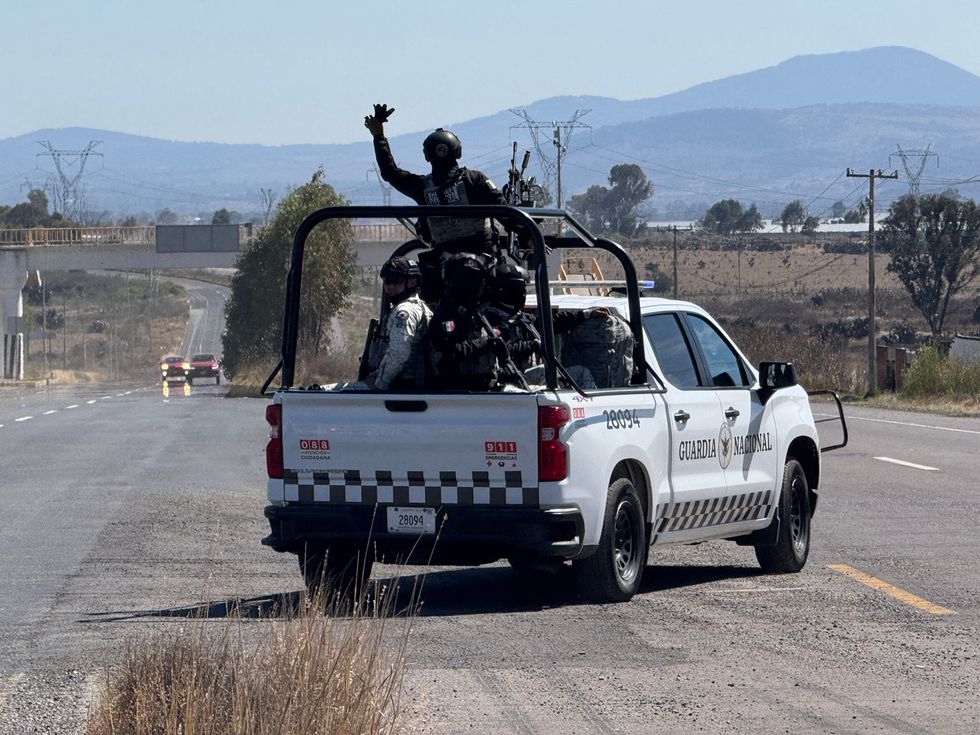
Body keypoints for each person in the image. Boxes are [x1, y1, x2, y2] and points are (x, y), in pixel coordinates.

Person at [364, 104, 506, 300]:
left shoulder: (423, 187)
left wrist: (378, 136)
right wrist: (528, 236)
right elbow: (505, 210)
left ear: (427, 155)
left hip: (449, 272)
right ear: (457, 151)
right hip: (477, 269)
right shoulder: (475, 180)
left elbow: (390, 173)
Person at [429, 253, 507, 391]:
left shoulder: (479, 312)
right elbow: (449, 350)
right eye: (466, 279)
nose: (471, 285)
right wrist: (486, 343)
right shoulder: (445, 313)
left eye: (476, 279)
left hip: (484, 388)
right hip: (457, 390)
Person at [362, 255, 431, 391]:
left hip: (399, 387)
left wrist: (379, 384)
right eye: (387, 282)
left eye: (396, 281)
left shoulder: (404, 311)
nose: (390, 287)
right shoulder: (419, 308)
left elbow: (399, 353)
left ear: (411, 282)